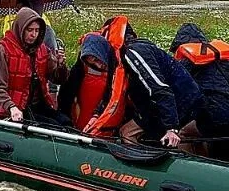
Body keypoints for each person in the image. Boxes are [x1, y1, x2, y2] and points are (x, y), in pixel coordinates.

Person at [60, 16, 200, 148]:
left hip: (180, 104)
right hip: (160, 106)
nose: (99, 66)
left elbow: (160, 88)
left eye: (97, 60)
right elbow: (110, 93)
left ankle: (137, 169)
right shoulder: (117, 60)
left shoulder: (134, 53)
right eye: (93, 64)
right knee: (128, 131)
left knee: (128, 133)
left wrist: (171, 128)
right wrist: (96, 116)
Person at [0, 7, 69, 125]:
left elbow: (57, 79)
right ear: (21, 29)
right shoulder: (3, 50)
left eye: (37, 30)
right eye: (30, 30)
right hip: (16, 108)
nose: (34, 35)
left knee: (66, 123)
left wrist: (61, 65)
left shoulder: (43, 49)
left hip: (39, 105)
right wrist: (11, 107)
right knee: (54, 126)